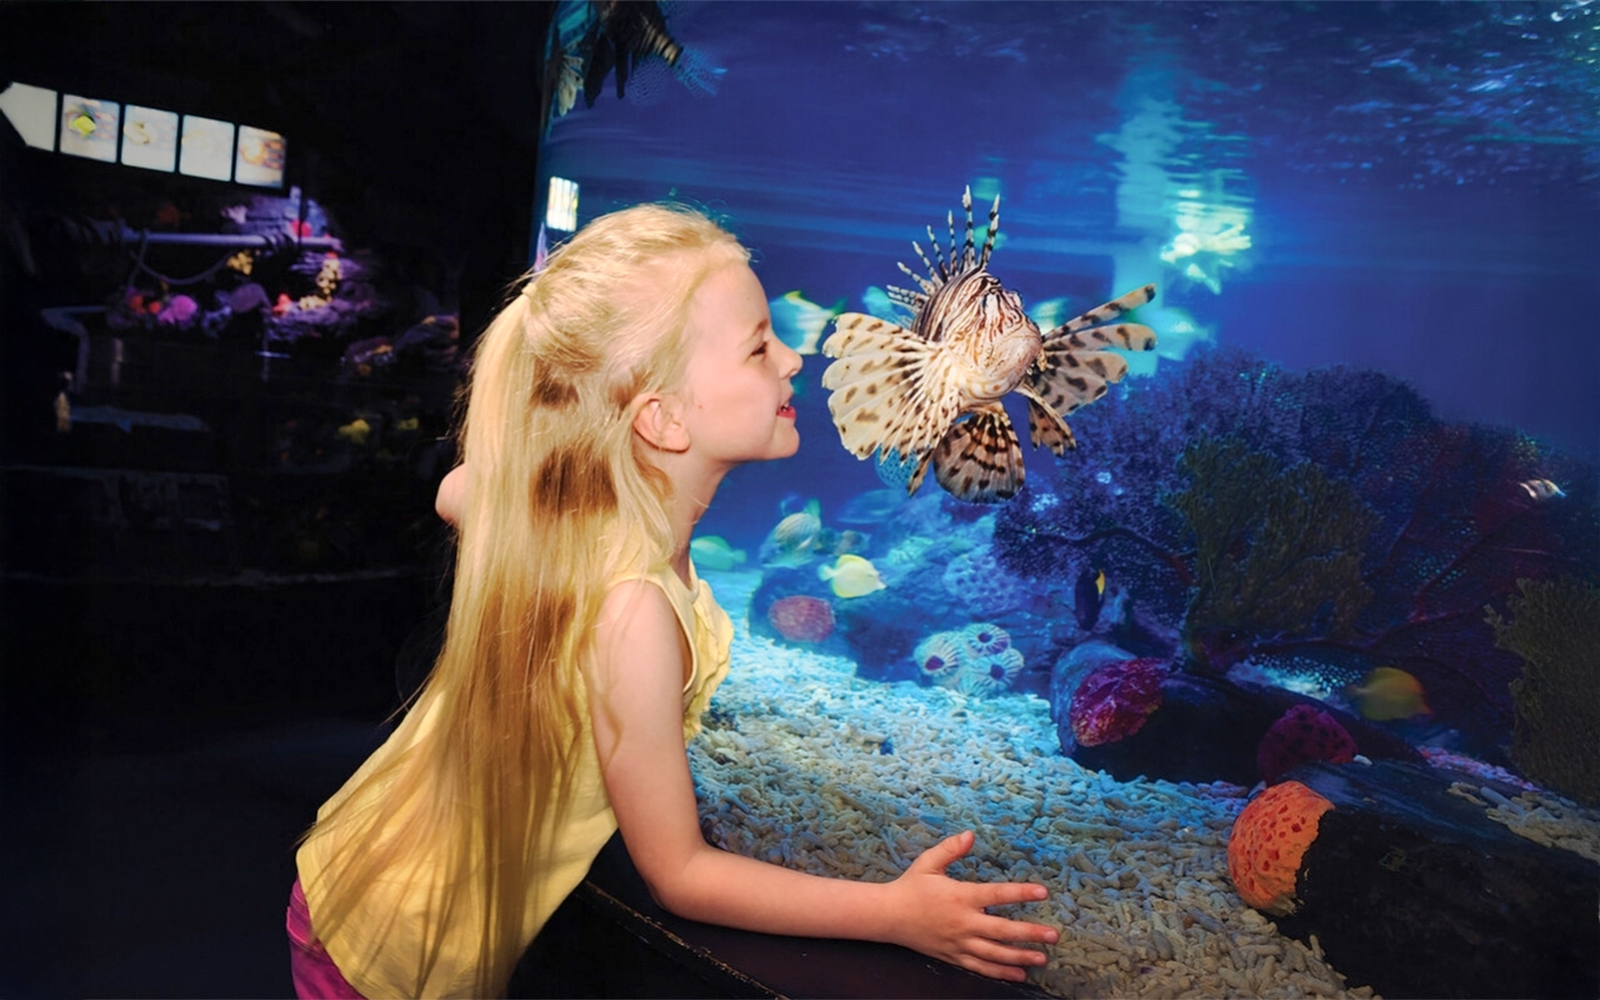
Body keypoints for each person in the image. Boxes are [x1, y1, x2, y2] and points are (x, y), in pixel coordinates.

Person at [288, 202, 1060, 999]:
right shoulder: (633, 612)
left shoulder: (581, 525)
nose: (792, 357)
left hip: (357, 866)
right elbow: (680, 874)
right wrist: (893, 914)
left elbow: (458, 489)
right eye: (759, 346)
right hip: (391, 947)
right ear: (661, 418)